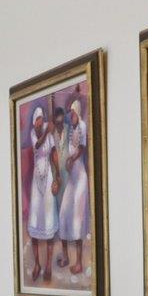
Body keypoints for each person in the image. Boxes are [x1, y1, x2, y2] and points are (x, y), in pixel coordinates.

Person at [56, 96, 91, 276]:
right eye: (69, 112)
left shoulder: (83, 126)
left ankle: (78, 263)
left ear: (77, 111)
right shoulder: (71, 130)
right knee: (63, 215)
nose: (70, 114)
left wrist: (71, 159)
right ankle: (65, 256)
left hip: (80, 180)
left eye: (72, 111)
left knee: (77, 219)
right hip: (72, 179)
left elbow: (82, 149)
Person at [24, 105, 59, 283]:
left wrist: (58, 176)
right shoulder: (34, 133)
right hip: (36, 182)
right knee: (35, 222)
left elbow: (53, 154)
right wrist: (48, 131)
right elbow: (37, 146)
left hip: (48, 179)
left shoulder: (48, 131)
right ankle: (37, 263)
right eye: (37, 119)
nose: (39, 121)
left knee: (49, 221)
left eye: (41, 119)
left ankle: (48, 266)